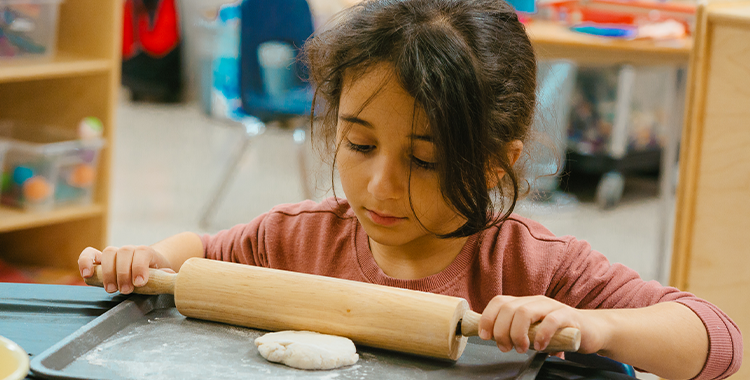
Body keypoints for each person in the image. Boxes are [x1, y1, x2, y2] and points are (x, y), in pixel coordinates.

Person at [78, 0, 742, 378]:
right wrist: (152, 259)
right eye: (360, 145)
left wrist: (591, 325)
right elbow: (199, 257)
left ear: (493, 163)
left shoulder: (530, 266)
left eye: (423, 160)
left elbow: (715, 340)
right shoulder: (298, 236)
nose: (380, 184)